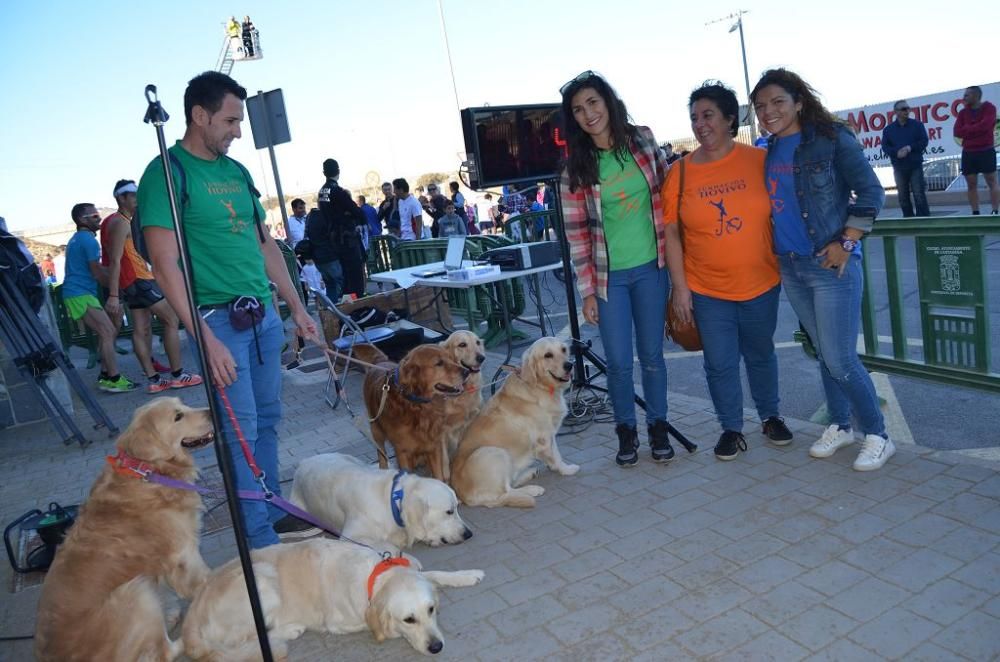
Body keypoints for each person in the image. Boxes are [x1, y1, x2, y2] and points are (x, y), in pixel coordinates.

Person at [138, 71, 320, 547]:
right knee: (241, 433)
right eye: (230, 120)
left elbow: (266, 247)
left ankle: (270, 511)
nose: (238, 131)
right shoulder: (167, 173)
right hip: (219, 322)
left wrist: (296, 307)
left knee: (269, 420)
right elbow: (163, 263)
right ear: (199, 116)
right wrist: (205, 336)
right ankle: (258, 544)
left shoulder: (237, 173)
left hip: (262, 315)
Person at [752, 67, 893, 472]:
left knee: (840, 358)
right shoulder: (769, 148)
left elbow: (871, 193)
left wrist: (846, 242)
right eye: (761, 106)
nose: (769, 111)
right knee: (825, 355)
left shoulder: (831, 139)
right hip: (791, 266)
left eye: (778, 102)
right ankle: (840, 424)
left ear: (799, 101)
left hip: (830, 264)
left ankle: (878, 434)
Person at [662, 82, 792, 461]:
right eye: (694, 118)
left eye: (707, 116)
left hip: (761, 283)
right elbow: (671, 233)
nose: (700, 124)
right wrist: (680, 288)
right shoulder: (680, 173)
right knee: (719, 363)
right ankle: (731, 427)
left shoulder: (758, 160)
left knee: (760, 353)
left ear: (729, 119)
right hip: (707, 289)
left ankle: (770, 416)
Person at [558, 70, 672, 467]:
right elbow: (577, 237)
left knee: (653, 356)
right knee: (620, 363)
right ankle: (627, 431)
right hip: (610, 280)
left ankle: (659, 426)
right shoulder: (574, 169)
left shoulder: (642, 139)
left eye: (593, 103)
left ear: (607, 102)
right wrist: (587, 291)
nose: (588, 114)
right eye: (578, 110)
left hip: (652, 268)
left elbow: (667, 193)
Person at [100, 179, 203, 394]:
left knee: (141, 328)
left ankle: (154, 380)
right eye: (133, 196)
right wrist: (113, 294)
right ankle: (177, 375)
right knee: (172, 319)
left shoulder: (124, 221)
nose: (138, 200)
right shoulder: (120, 223)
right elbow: (115, 260)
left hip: (134, 281)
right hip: (138, 280)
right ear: (121, 198)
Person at [63, 203, 136, 393]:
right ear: (82, 220)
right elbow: (97, 272)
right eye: (95, 216)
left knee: (108, 332)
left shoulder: (77, 238)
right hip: (80, 293)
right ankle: (113, 378)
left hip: (78, 292)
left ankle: (106, 375)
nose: (99, 219)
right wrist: (117, 285)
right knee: (107, 332)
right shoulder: (88, 241)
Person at [317, 158, 367, 299]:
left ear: (324, 172)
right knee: (354, 278)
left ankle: (348, 304)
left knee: (344, 279)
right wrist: (350, 214)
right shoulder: (338, 191)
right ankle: (358, 305)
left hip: (333, 240)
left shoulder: (322, 192)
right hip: (347, 239)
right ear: (338, 171)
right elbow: (358, 212)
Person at [954, 85, 999, 215]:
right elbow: (957, 131)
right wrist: (975, 129)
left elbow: (986, 126)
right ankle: (975, 212)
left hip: (986, 150)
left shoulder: (989, 108)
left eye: (967, 95)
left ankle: (995, 210)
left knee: (992, 181)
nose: (964, 97)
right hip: (969, 152)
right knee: (971, 184)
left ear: (976, 96)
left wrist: (968, 129)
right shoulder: (963, 113)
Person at [882, 100, 930, 218]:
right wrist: (896, 152)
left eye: (908, 108)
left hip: (915, 165)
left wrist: (910, 148)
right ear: (896, 112)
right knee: (903, 196)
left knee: (919, 194)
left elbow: (924, 141)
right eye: (903, 109)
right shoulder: (888, 130)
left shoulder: (917, 125)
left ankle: (924, 222)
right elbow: (885, 147)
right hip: (899, 167)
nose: (907, 111)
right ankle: (908, 221)